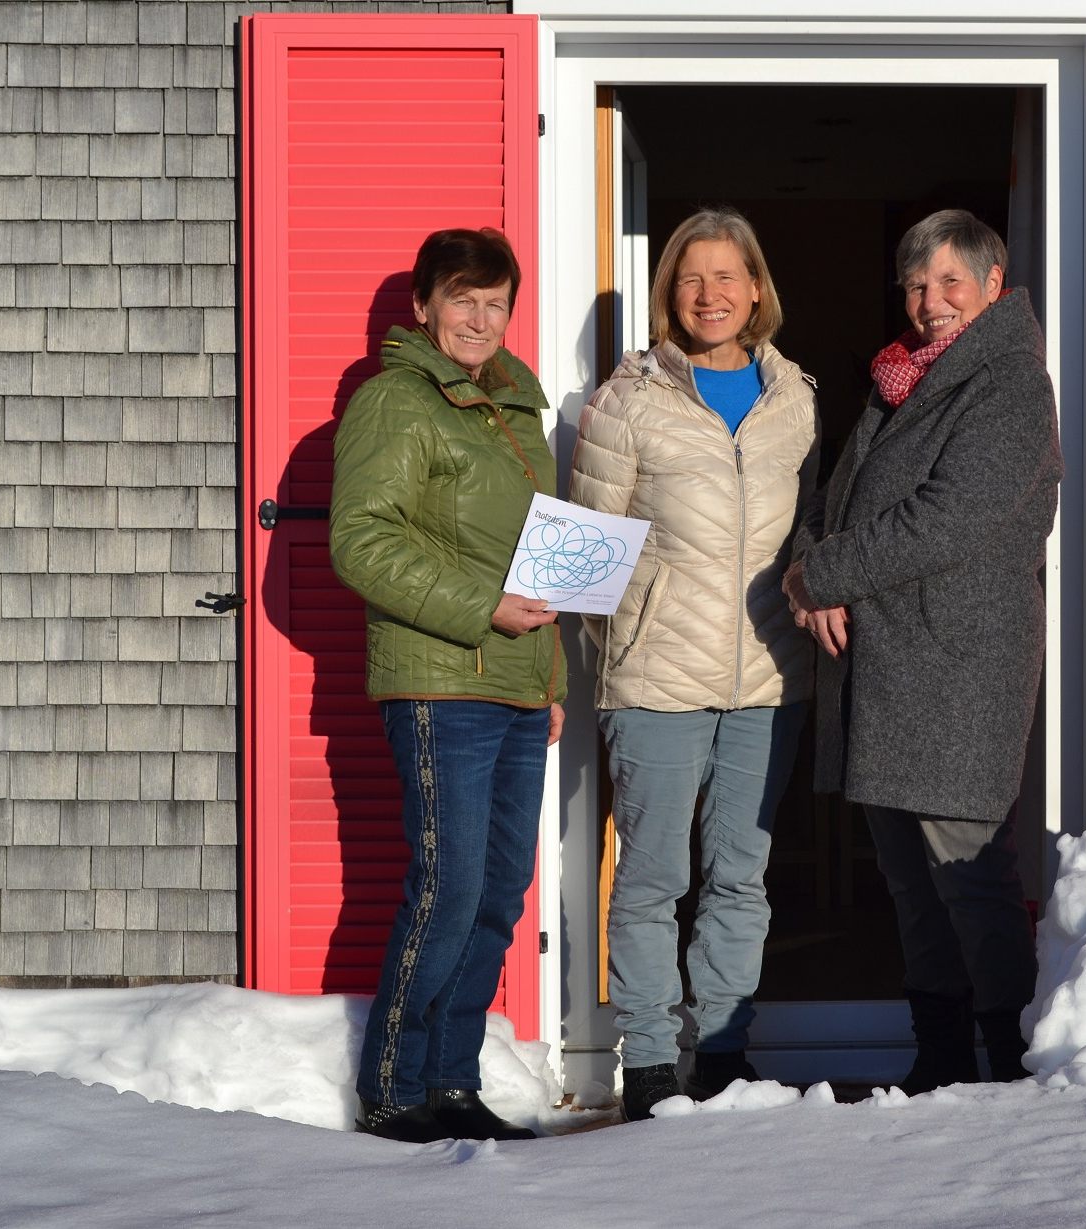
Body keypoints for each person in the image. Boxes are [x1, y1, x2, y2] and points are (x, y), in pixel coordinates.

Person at [784, 209, 1062, 1094]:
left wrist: (819, 575)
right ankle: (939, 1055)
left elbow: (942, 519)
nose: (929, 299)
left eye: (948, 281)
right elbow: (839, 499)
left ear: (991, 283)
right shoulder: (899, 381)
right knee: (911, 886)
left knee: (970, 882)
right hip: (891, 666)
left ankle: (1007, 1066)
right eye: (913, 282)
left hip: (958, 668)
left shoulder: (1009, 383)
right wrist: (811, 560)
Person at [570, 208, 819, 1122]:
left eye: (727, 276)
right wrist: (627, 652)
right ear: (668, 295)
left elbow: (814, 531)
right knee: (649, 876)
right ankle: (646, 1057)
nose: (710, 295)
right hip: (655, 684)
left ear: (757, 288)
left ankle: (718, 1047)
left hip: (767, 677)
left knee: (738, 875)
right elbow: (590, 557)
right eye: (690, 278)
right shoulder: (626, 401)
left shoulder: (796, 400)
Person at [330, 227, 564, 1143]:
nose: (479, 317)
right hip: (439, 680)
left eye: (495, 302)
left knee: (500, 890)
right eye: (461, 298)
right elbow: (362, 541)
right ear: (423, 306)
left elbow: (534, 564)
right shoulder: (398, 401)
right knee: (449, 884)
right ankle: (392, 1087)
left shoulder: (512, 410)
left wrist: (547, 679)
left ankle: (453, 1082)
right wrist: (484, 611)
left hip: (511, 685)